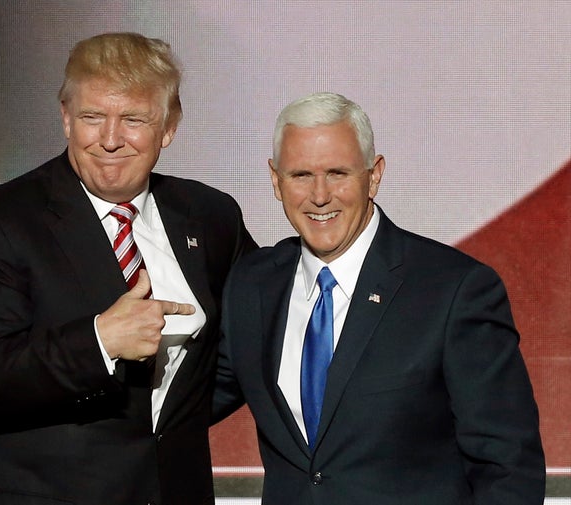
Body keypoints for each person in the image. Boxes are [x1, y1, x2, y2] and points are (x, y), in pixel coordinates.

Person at [0, 32, 256, 505]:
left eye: (132, 119)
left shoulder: (209, 216)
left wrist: (166, 418)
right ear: (66, 118)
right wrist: (101, 339)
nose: (109, 139)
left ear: (168, 126)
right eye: (92, 117)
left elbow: (249, 341)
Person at [213, 92, 545, 504]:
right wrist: (106, 346)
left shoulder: (453, 289)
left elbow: (508, 465)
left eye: (338, 173)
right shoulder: (253, 284)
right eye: (300, 175)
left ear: (374, 175)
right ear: (275, 180)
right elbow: (186, 405)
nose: (320, 196)